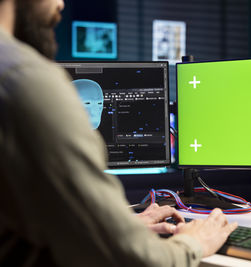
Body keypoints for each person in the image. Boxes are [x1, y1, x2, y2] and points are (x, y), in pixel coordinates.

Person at [0, 0, 237, 266]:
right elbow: (130, 260)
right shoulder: (25, 79)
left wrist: (115, 227)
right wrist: (195, 242)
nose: (60, 3)